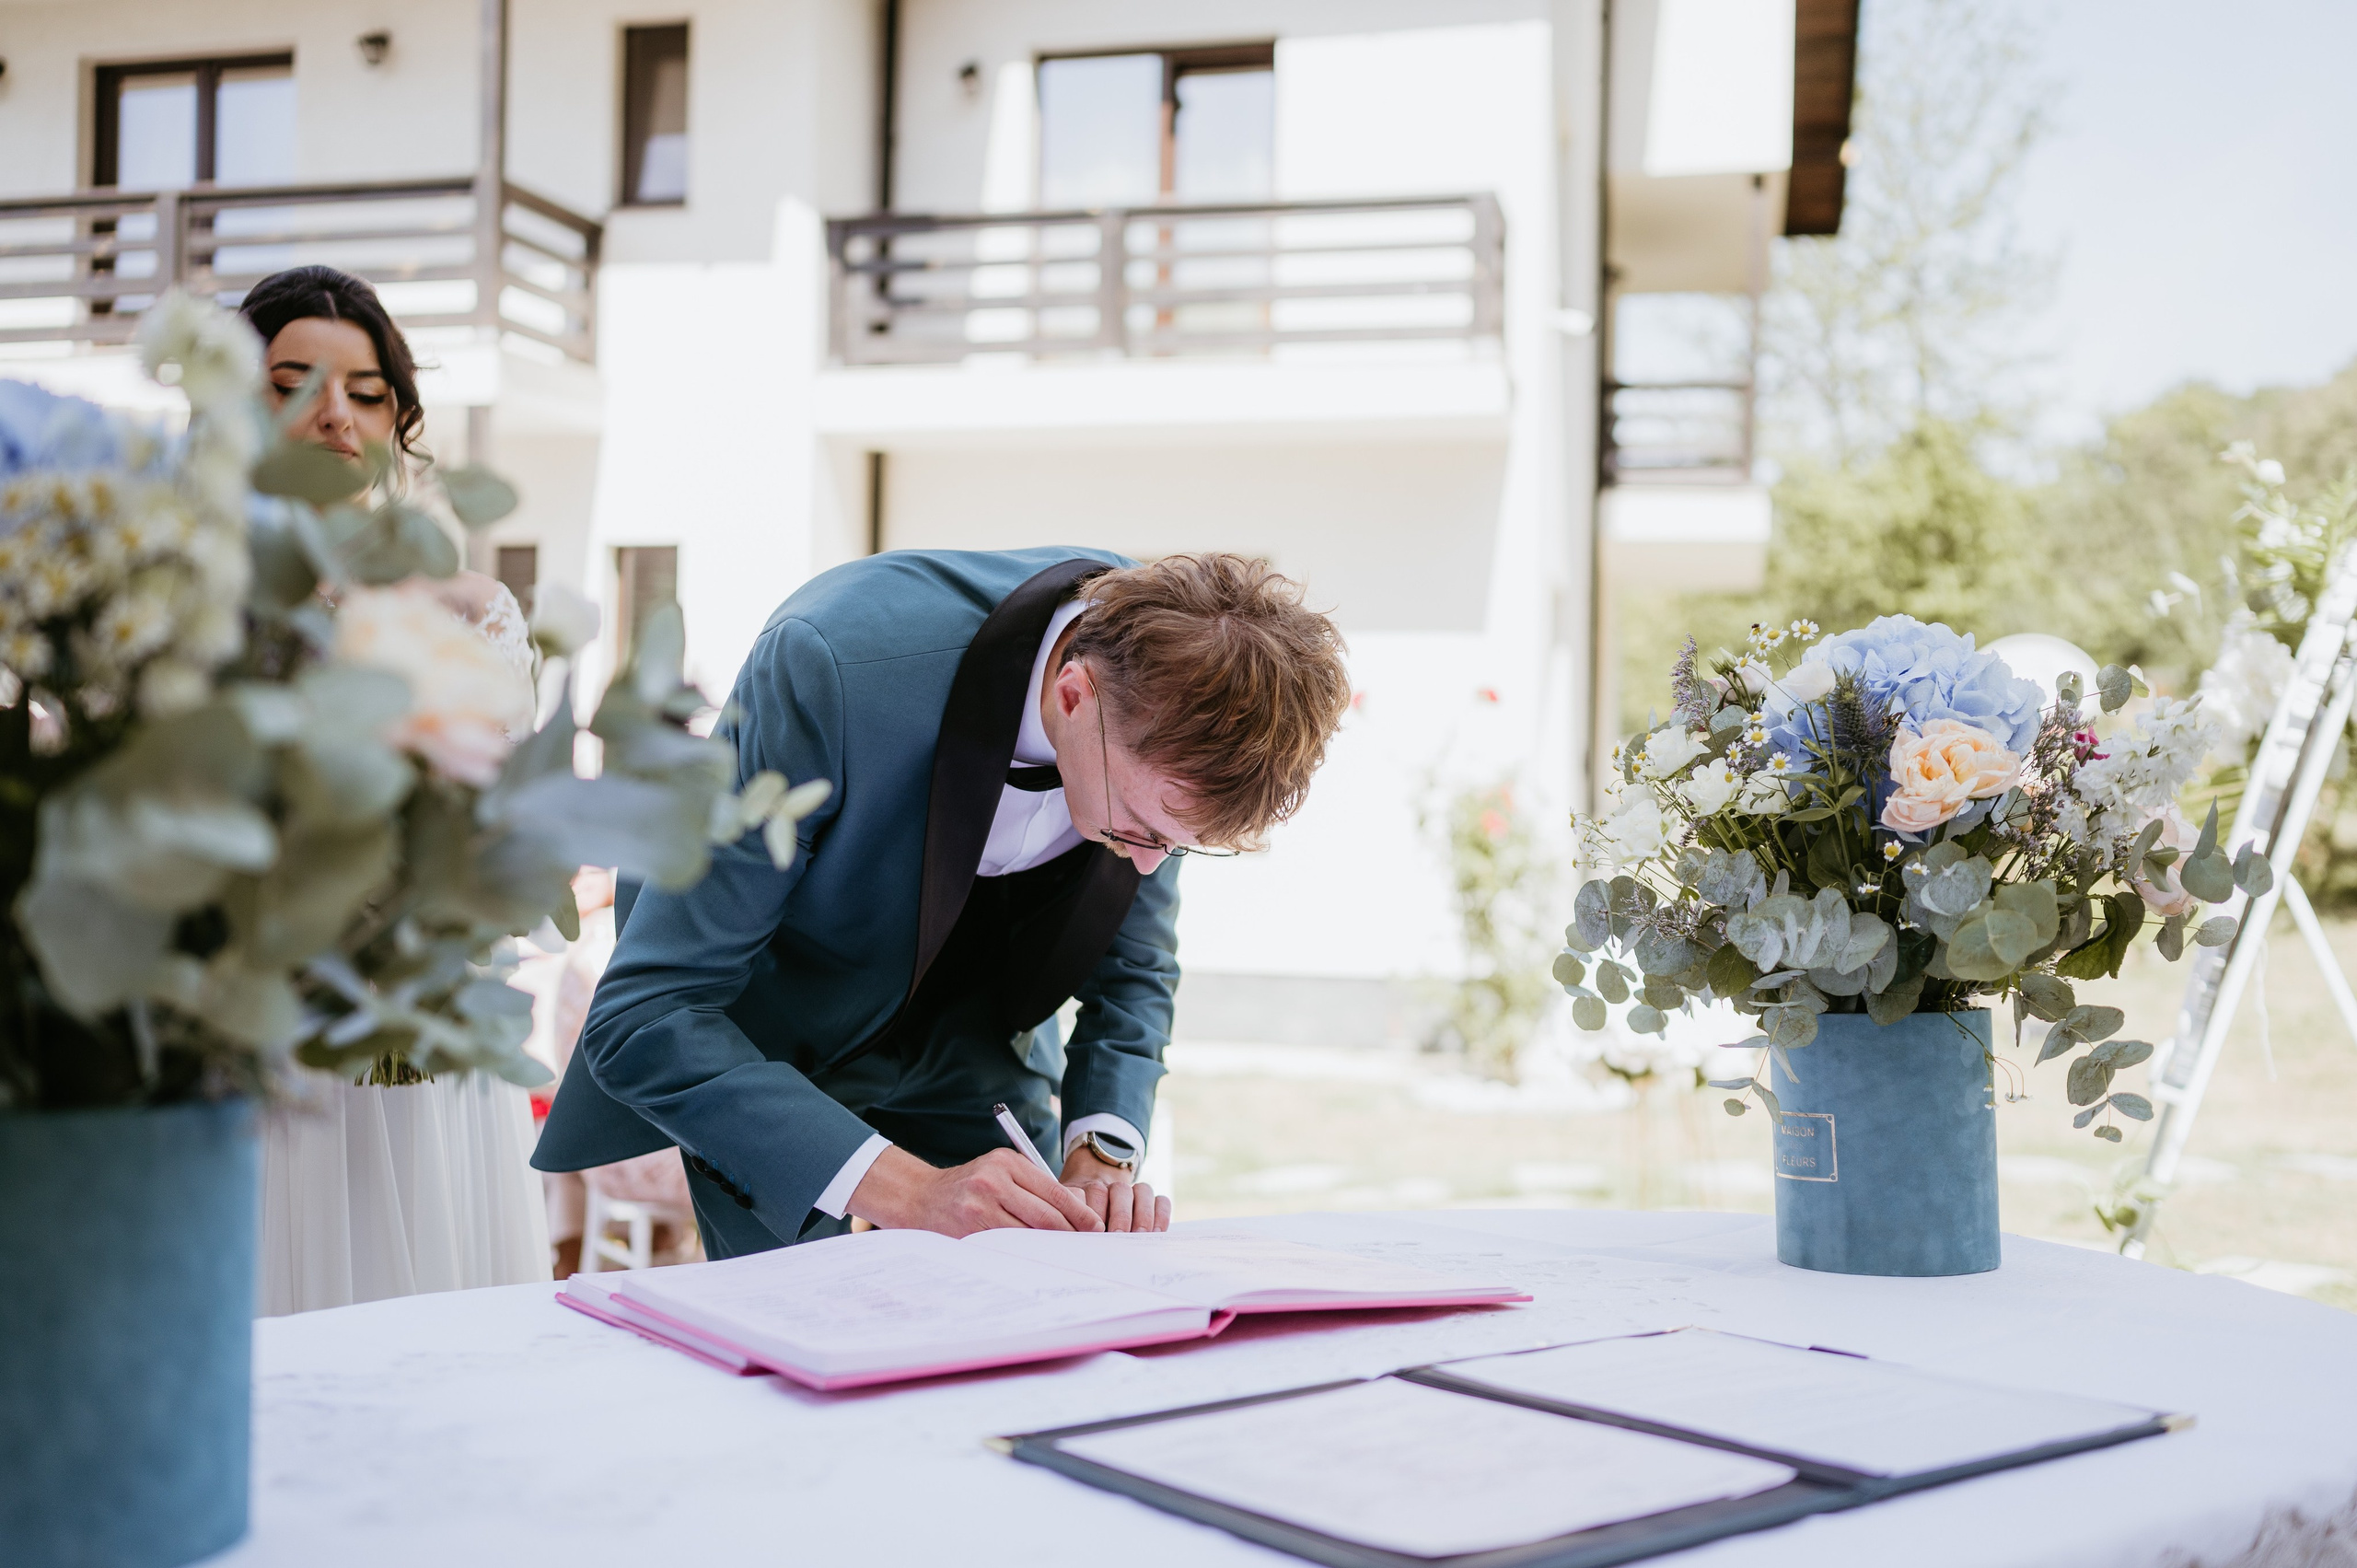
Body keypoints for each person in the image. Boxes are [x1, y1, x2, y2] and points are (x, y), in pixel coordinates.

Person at [534, 551, 1351, 1256]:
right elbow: (649, 1014)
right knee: (795, 1335)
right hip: (778, 1045)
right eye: (1138, 827)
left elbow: (1134, 972)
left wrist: (1101, 1154)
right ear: (1073, 694)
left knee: (1034, 1311)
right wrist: (915, 1192)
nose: (1145, 862)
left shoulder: (1177, 702)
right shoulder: (831, 664)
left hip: (982, 1052)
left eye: (1172, 845)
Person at [242, 265, 552, 1313]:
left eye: (366, 392)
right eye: (295, 383)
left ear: (396, 417)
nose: (335, 414)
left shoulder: (474, 609)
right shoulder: (195, 597)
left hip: (426, 1049)